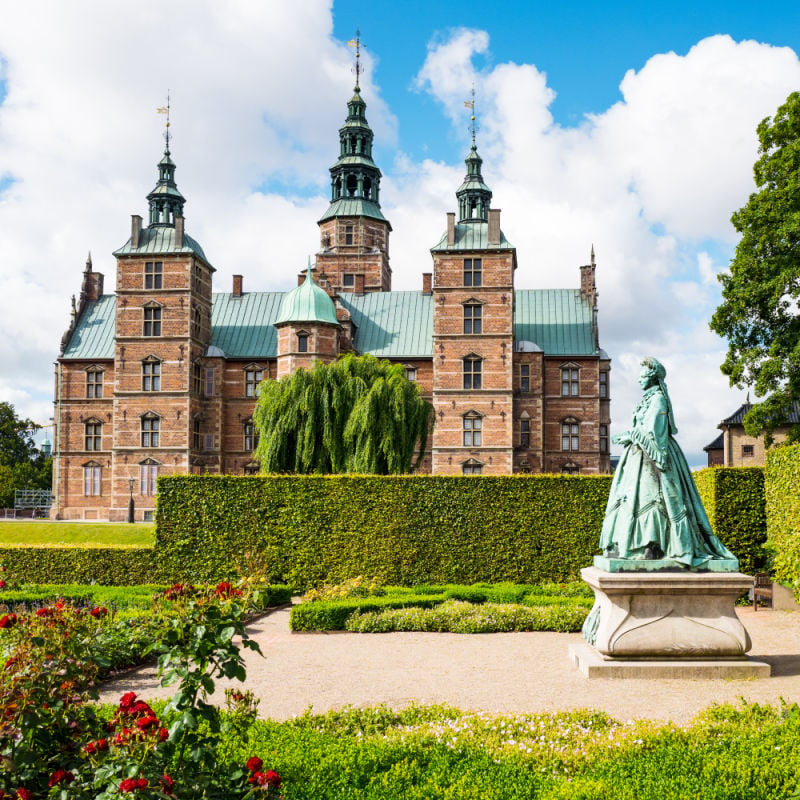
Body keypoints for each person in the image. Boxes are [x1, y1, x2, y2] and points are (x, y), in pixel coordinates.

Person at [599, 357, 736, 568]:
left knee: (654, 498)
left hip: (653, 458)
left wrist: (632, 434)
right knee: (631, 498)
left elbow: (655, 435)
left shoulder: (658, 400)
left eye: (642, 375)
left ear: (652, 377)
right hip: (638, 458)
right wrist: (630, 436)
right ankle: (631, 545)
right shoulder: (648, 399)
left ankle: (653, 546)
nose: (638, 379)